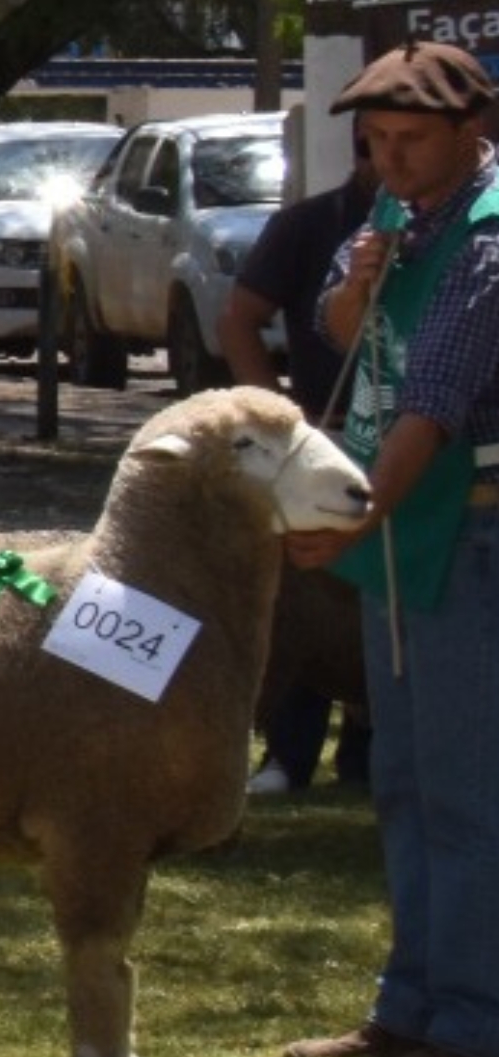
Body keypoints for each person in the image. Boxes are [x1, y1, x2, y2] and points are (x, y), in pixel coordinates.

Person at [281, 41, 499, 1057]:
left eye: (410, 140)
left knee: (464, 789)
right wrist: (356, 289)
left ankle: (470, 1021)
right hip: (411, 532)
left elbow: (435, 404)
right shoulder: (391, 222)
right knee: (406, 783)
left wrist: (358, 519)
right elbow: (334, 333)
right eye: (373, 143)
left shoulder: (487, 237)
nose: (391, 160)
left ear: (472, 130)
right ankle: (409, 1004)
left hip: (463, 527)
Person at [219, 134, 376, 797]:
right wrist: (282, 422)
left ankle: (368, 760)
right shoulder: (308, 225)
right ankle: (285, 755)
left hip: (415, 440)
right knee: (296, 596)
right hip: (325, 432)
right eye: (384, 148)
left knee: (380, 600)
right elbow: (238, 321)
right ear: (361, 155)